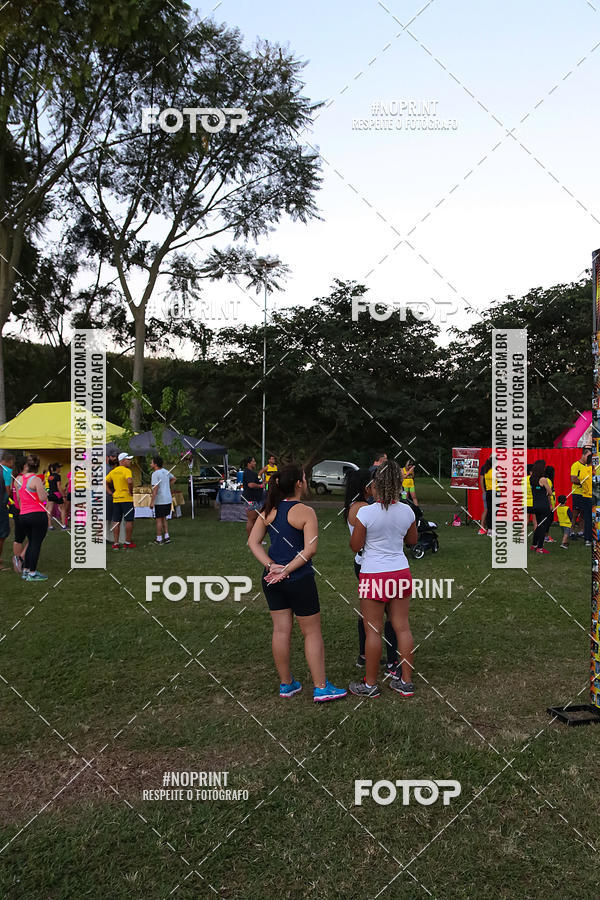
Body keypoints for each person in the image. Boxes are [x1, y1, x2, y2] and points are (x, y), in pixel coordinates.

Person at [248, 463, 347, 703]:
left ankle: (286, 684)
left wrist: (272, 567)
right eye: (304, 477)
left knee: (281, 630)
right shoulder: (306, 512)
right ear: (299, 483)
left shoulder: (268, 509)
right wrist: (283, 569)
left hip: (272, 580)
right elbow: (311, 549)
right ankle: (321, 687)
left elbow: (252, 543)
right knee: (311, 632)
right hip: (298, 579)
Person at [348, 460, 418, 699]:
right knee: (403, 627)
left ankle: (370, 685)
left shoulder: (365, 512)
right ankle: (405, 682)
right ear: (399, 483)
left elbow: (355, 546)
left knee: (373, 631)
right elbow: (412, 541)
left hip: (373, 573)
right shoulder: (408, 510)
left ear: (375, 484)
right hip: (400, 571)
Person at [343, 468, 399, 674]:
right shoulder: (363, 509)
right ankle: (391, 661)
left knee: (368, 612)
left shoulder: (358, 506)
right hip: (371, 563)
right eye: (374, 483)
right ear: (367, 487)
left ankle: (365, 655)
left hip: (366, 563)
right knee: (387, 613)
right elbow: (360, 543)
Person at [18, 454, 49, 581]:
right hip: (36, 514)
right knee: (36, 543)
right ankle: (32, 572)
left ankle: (26, 570)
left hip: (23, 515)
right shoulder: (35, 479)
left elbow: (19, 499)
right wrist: (46, 492)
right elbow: (43, 498)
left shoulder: (18, 480)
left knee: (31, 542)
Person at [105, 452, 136, 549]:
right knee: (129, 520)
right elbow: (130, 481)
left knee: (116, 521)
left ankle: (116, 543)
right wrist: (130, 491)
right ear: (122, 461)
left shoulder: (113, 471)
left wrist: (110, 492)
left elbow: (104, 481)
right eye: (128, 459)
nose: (130, 461)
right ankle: (127, 542)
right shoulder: (127, 471)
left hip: (116, 499)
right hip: (127, 498)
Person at [150, 456, 176, 544]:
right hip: (168, 499)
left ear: (155, 464)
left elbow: (155, 489)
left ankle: (159, 538)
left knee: (158, 519)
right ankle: (167, 536)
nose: (150, 464)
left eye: (151, 463)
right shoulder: (166, 471)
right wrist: (166, 485)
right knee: (164, 518)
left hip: (160, 500)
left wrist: (152, 502)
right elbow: (174, 478)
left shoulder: (155, 474)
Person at [530, 459, 553, 554]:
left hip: (535, 505)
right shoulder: (543, 479)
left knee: (539, 525)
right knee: (542, 526)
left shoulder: (531, 478)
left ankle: (534, 544)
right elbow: (550, 492)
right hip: (543, 505)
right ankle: (540, 547)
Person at [571, 447, 592, 546]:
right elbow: (573, 479)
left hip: (585, 493)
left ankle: (582, 531)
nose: (589, 457)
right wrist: (584, 482)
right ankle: (571, 531)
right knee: (575, 513)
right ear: (583, 455)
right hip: (577, 492)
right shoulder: (576, 465)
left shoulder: (589, 467)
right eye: (588, 455)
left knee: (584, 514)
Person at [11, 456, 27, 574]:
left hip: (19, 510)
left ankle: (18, 561)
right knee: (32, 537)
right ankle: (20, 559)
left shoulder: (17, 478)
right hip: (22, 510)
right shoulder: (22, 479)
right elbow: (19, 498)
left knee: (19, 537)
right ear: (25, 466)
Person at [242, 456, 265, 538]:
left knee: (255, 519)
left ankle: (255, 539)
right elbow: (250, 485)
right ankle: (250, 539)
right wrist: (261, 486)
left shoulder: (252, 473)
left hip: (256, 498)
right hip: (250, 499)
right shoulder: (248, 472)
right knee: (251, 519)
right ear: (249, 463)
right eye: (253, 461)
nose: (255, 463)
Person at [479, 456, 496, 535]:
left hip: (488, 491)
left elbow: (482, 479)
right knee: (488, 510)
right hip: (490, 492)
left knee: (488, 510)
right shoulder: (491, 469)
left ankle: (486, 528)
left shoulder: (486, 469)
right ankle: (482, 528)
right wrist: (483, 491)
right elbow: (481, 480)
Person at [46, 462, 65, 529]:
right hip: (56, 494)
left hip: (50, 493)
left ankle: (50, 526)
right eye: (59, 467)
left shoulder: (49, 477)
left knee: (49, 510)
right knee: (63, 509)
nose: (60, 469)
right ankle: (63, 525)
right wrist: (63, 495)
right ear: (56, 468)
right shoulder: (58, 476)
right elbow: (59, 486)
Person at [544, 465, 556, 543]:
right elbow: (547, 493)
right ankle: (546, 536)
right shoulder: (548, 480)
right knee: (548, 520)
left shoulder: (549, 480)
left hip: (551, 504)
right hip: (549, 505)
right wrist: (550, 505)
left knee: (549, 520)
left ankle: (547, 536)